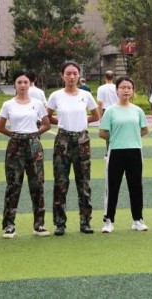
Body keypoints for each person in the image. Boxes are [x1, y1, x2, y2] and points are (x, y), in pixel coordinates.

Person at [47, 61, 101, 235]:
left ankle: (85, 222)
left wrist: (82, 121)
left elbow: (96, 115)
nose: (71, 77)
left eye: (75, 73)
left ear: (79, 75)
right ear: (62, 75)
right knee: (61, 182)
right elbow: (47, 117)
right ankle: (59, 223)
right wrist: (61, 122)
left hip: (82, 140)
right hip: (63, 139)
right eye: (68, 73)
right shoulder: (56, 95)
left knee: (83, 182)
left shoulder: (86, 95)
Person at [0, 71, 52, 238]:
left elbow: (46, 124)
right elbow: (0, 127)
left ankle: (39, 224)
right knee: (13, 185)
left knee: (37, 185)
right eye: (19, 82)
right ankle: (9, 225)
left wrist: (34, 134)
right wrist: (15, 135)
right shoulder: (8, 104)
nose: (22, 85)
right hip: (15, 146)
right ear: (14, 84)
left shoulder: (37, 103)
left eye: (25, 82)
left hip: (34, 146)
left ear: (30, 84)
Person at [99, 76, 149, 233]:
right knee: (112, 187)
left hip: (135, 151)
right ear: (117, 90)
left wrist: (131, 137)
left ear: (133, 91)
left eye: (129, 87)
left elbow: (144, 129)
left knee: (136, 186)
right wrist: (117, 137)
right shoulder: (111, 111)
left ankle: (137, 220)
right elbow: (102, 132)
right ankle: (108, 221)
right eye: (123, 87)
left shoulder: (138, 111)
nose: (126, 90)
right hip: (116, 152)